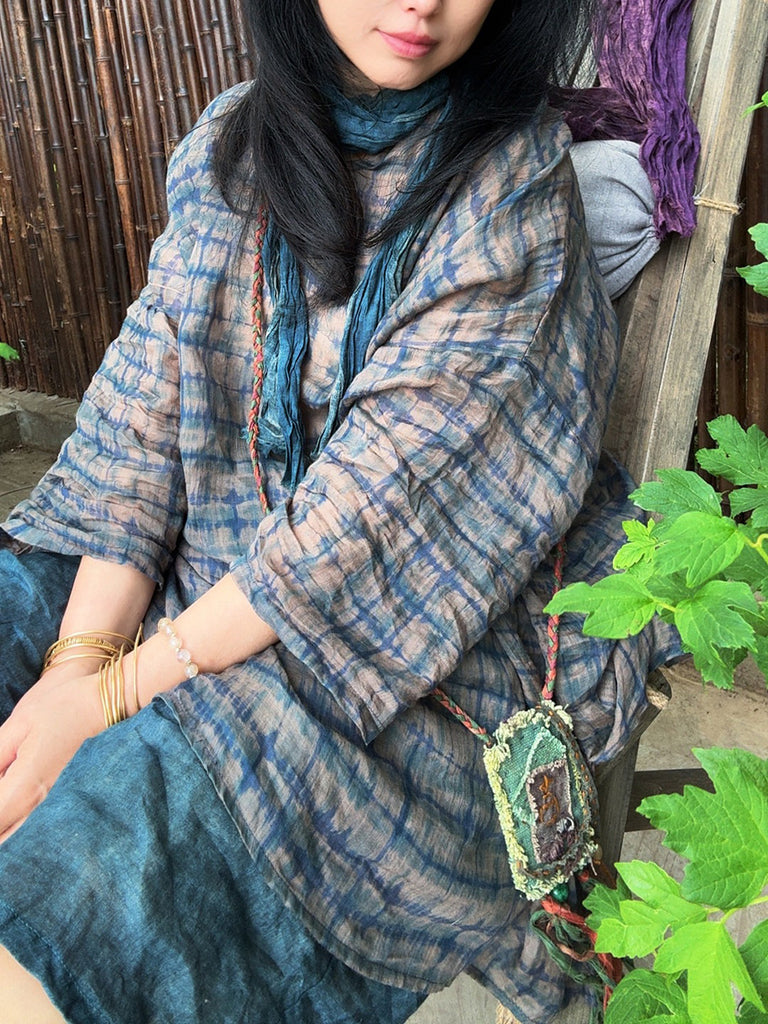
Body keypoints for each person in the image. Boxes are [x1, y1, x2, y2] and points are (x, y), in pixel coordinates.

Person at [0, 0, 679, 1021]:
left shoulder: (512, 187)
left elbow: (367, 528)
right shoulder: (235, 142)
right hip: (216, 543)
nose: (423, 3)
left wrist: (111, 702)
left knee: (106, 874)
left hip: (417, 647)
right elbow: (144, 420)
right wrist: (76, 668)